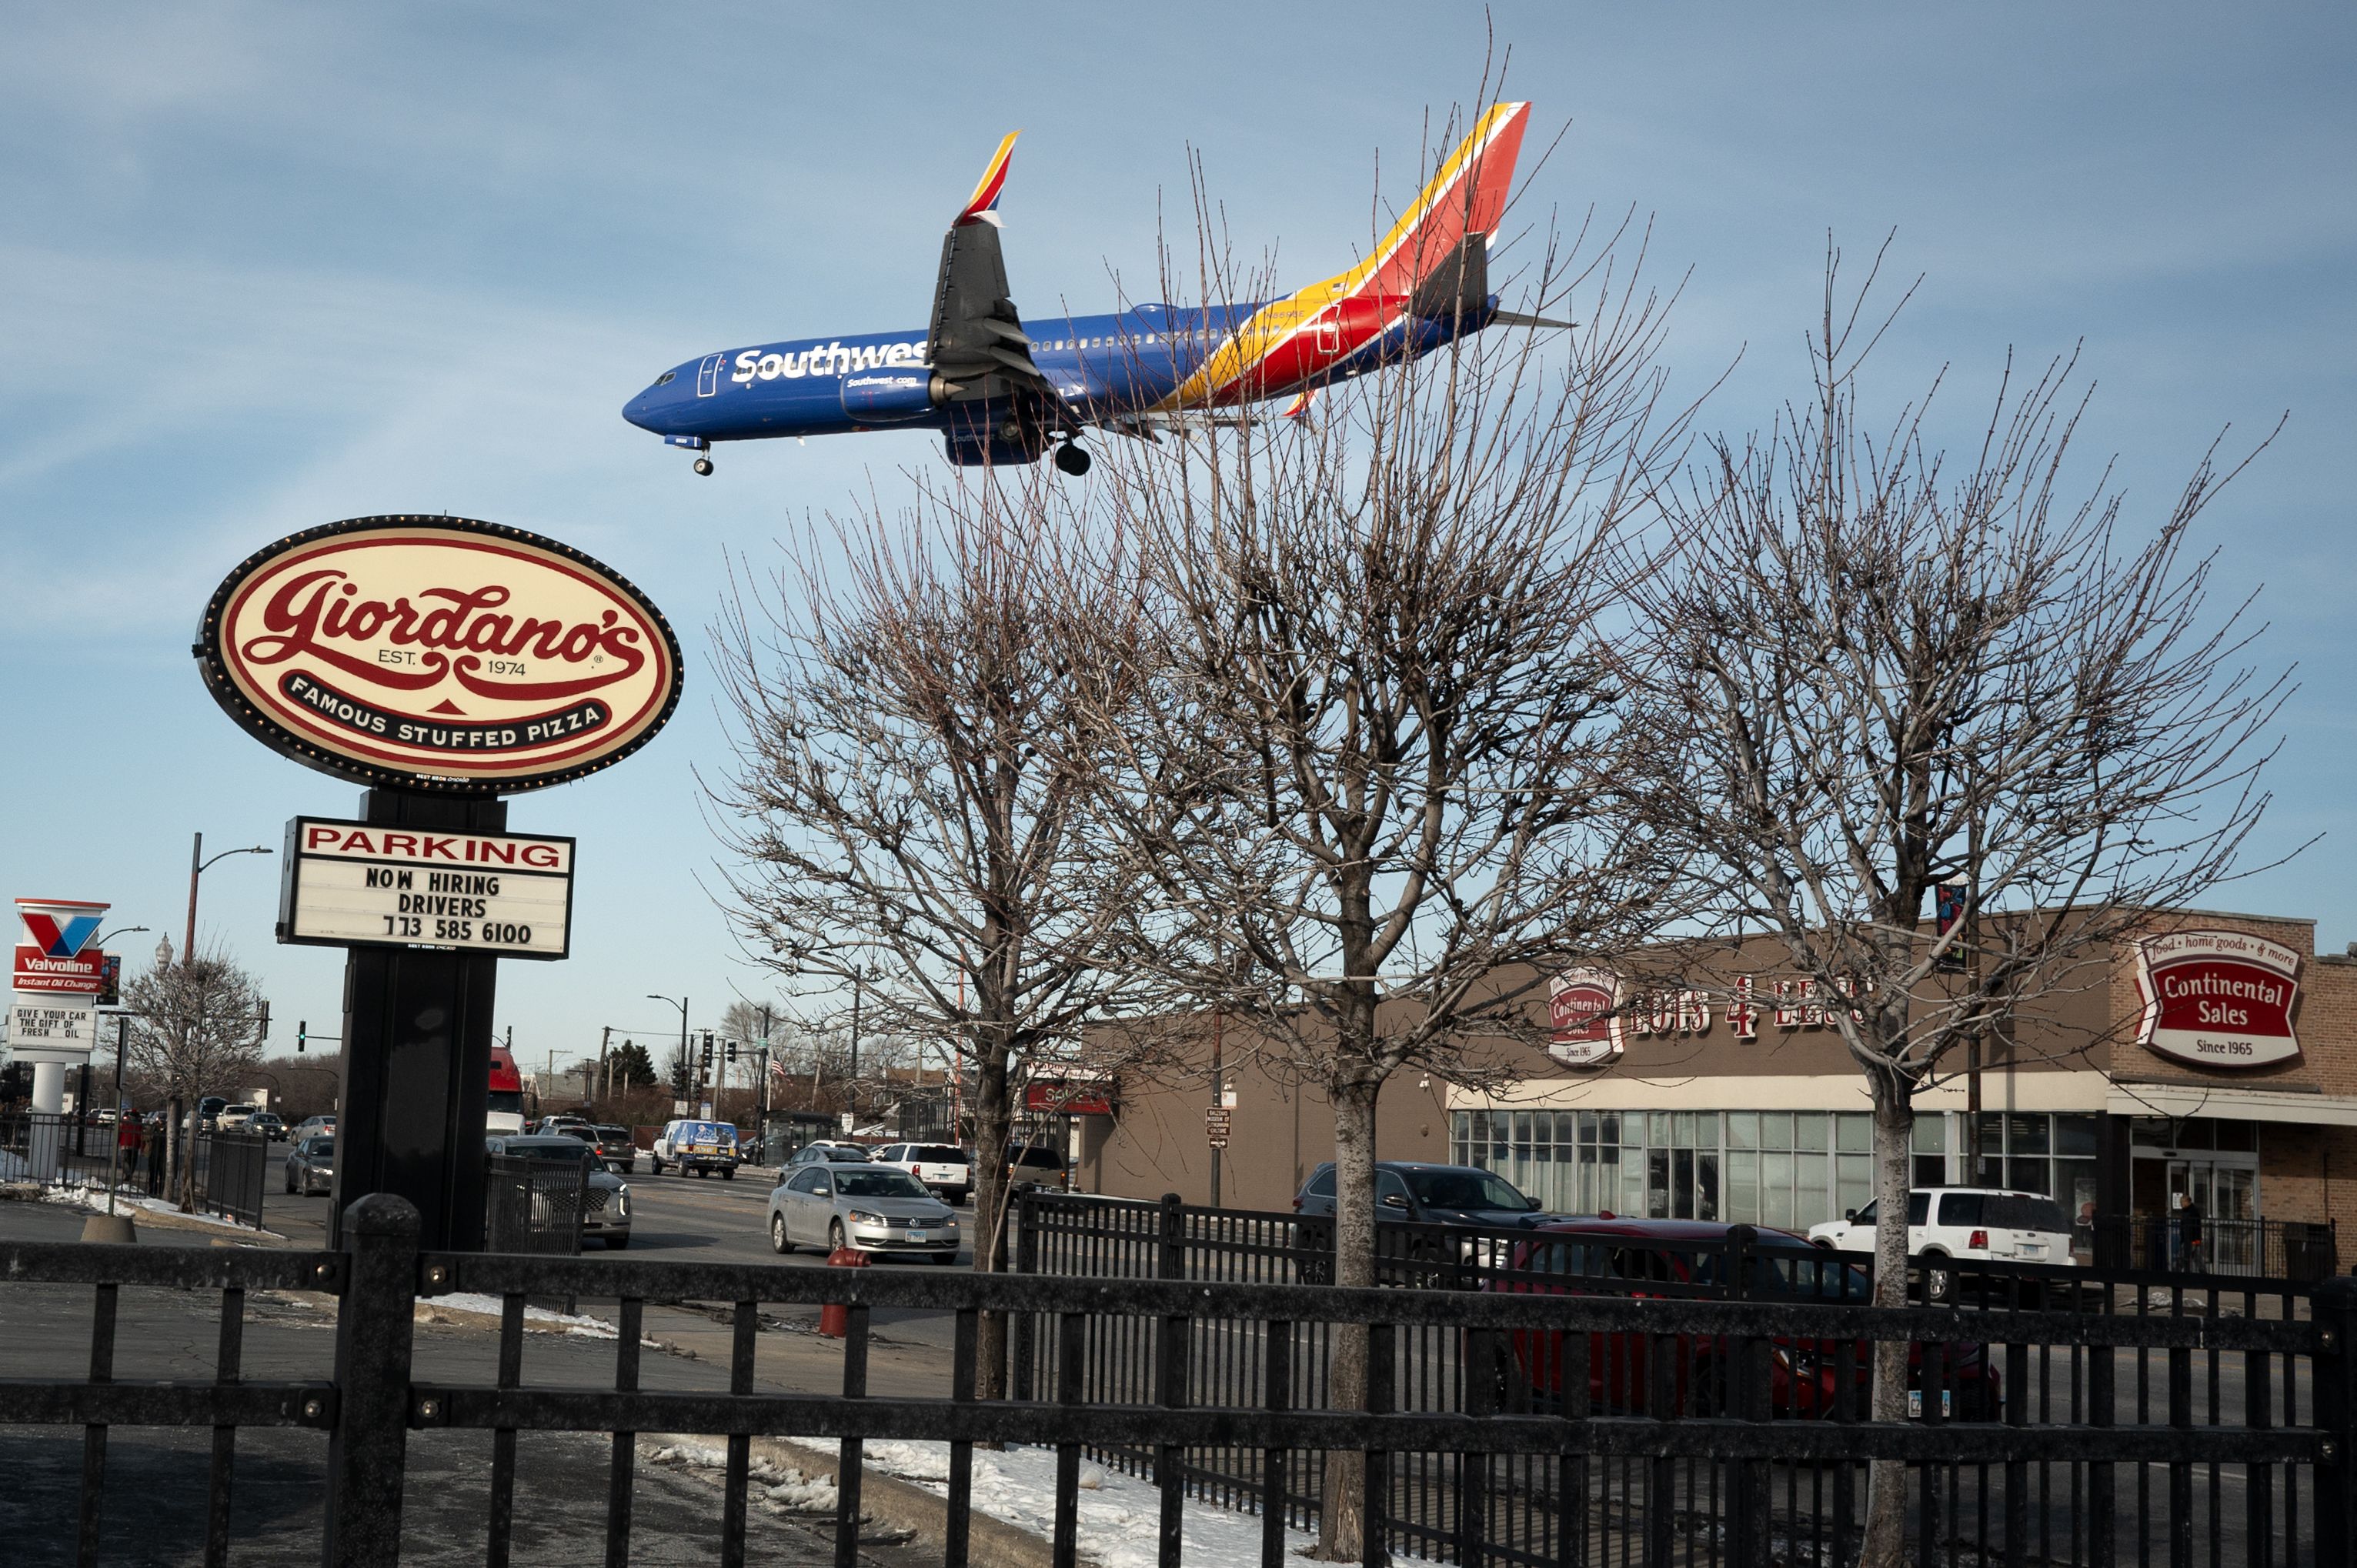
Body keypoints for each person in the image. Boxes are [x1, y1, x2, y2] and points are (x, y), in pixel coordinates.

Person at [2178, 1191, 2205, 1274]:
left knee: (2185, 1256)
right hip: (2186, 1238)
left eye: (2182, 1202)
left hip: (2192, 1238)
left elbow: (2196, 1227)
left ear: (2187, 1202)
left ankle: (2181, 1272)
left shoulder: (2193, 1211)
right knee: (2194, 1256)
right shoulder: (2185, 1211)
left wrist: (2196, 1240)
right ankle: (2202, 1271)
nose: (2181, 1204)